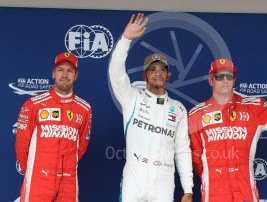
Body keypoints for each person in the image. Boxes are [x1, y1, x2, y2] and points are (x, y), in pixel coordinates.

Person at [188, 58, 267, 202]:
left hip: (245, 192)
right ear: (211, 80)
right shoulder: (196, 115)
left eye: (229, 76)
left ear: (234, 80)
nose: (225, 80)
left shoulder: (253, 107)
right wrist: (212, 176)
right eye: (219, 76)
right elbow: (195, 156)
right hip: (214, 195)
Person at [109, 13, 193, 202]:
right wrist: (125, 40)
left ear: (168, 75)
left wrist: (188, 188)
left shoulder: (178, 108)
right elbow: (116, 71)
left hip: (164, 177)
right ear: (145, 75)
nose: (157, 73)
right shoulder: (132, 97)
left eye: (162, 69)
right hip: (135, 175)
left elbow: (182, 149)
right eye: (152, 69)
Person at [16, 52, 92, 202]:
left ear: (76, 75)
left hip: (68, 182)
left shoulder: (85, 108)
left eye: (70, 71)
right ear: (53, 73)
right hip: (39, 180)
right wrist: (33, 173)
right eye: (60, 70)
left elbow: (81, 147)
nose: (65, 74)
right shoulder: (33, 104)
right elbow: (21, 146)